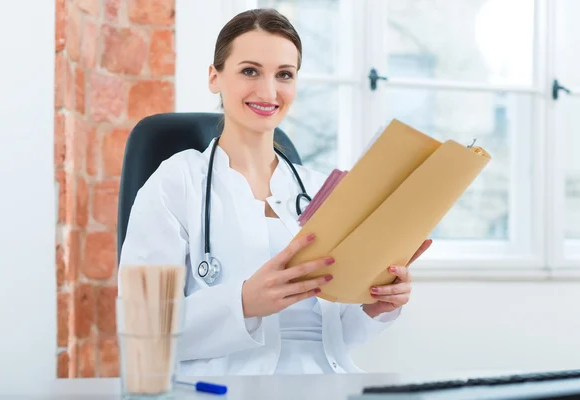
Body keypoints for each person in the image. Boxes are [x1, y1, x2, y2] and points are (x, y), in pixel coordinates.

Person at [118, 8, 432, 376]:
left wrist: (377, 305)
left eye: (284, 75)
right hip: (231, 387)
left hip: (328, 381)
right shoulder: (175, 184)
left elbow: (336, 334)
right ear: (214, 77)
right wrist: (244, 302)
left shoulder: (318, 189)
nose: (268, 91)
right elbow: (141, 328)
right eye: (250, 70)